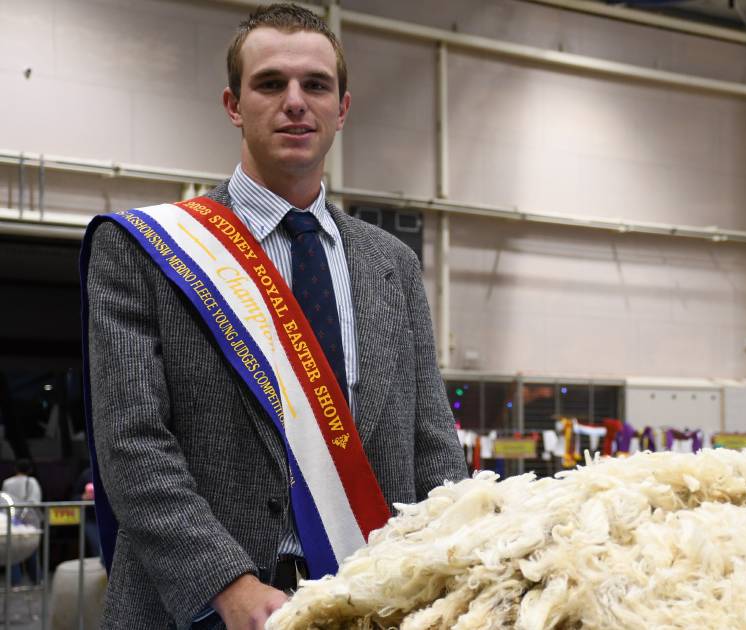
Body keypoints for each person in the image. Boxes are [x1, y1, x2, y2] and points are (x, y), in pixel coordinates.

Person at [81, 4, 467, 629]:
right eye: (270, 83)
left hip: (367, 604)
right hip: (195, 612)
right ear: (234, 104)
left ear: (342, 109)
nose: (295, 101)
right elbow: (131, 444)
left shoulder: (391, 264)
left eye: (315, 85)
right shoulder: (145, 249)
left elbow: (433, 446)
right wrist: (227, 585)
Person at [1, 458, 42, 584]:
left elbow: (4, 501)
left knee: (12, 551)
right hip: (28, 522)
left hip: (11, 521)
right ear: (29, 469)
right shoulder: (32, 481)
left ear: (15, 469)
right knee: (31, 550)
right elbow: (35, 501)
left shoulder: (7, 482)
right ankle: (36, 580)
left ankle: (15, 582)